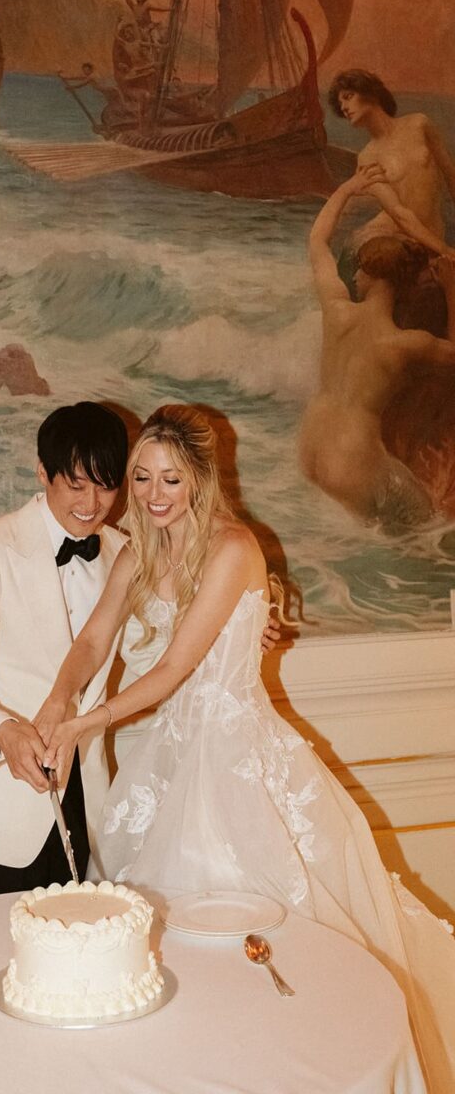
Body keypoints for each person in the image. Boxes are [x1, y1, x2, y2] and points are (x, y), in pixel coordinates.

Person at [40, 403, 455, 1093]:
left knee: (262, 933)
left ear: (200, 480)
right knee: (157, 948)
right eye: (142, 477)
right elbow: (92, 639)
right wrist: (60, 699)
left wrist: (90, 723)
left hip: (235, 758)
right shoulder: (138, 552)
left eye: (171, 479)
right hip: (163, 760)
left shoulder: (233, 550)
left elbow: (176, 667)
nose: (153, 494)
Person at [0, 402, 130, 899]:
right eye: (76, 485)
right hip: (4, 808)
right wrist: (2, 731)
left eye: (106, 486)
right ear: (43, 472)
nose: (92, 503)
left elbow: (158, 646)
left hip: (90, 805)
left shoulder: (124, 553)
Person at [300, 165, 455, 531]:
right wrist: (451, 290)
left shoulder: (336, 309)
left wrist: (348, 188)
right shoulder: (401, 344)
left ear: (369, 276)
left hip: (311, 445)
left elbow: (317, 241)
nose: (354, 275)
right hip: (353, 459)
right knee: (426, 529)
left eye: (360, 269)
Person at [327, 69, 455, 321]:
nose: (343, 107)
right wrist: (444, 249)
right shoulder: (367, 158)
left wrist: (442, 248)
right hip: (390, 239)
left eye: (348, 97)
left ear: (370, 93)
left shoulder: (419, 124)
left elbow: (451, 176)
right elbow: (399, 213)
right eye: (340, 104)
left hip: (428, 239)